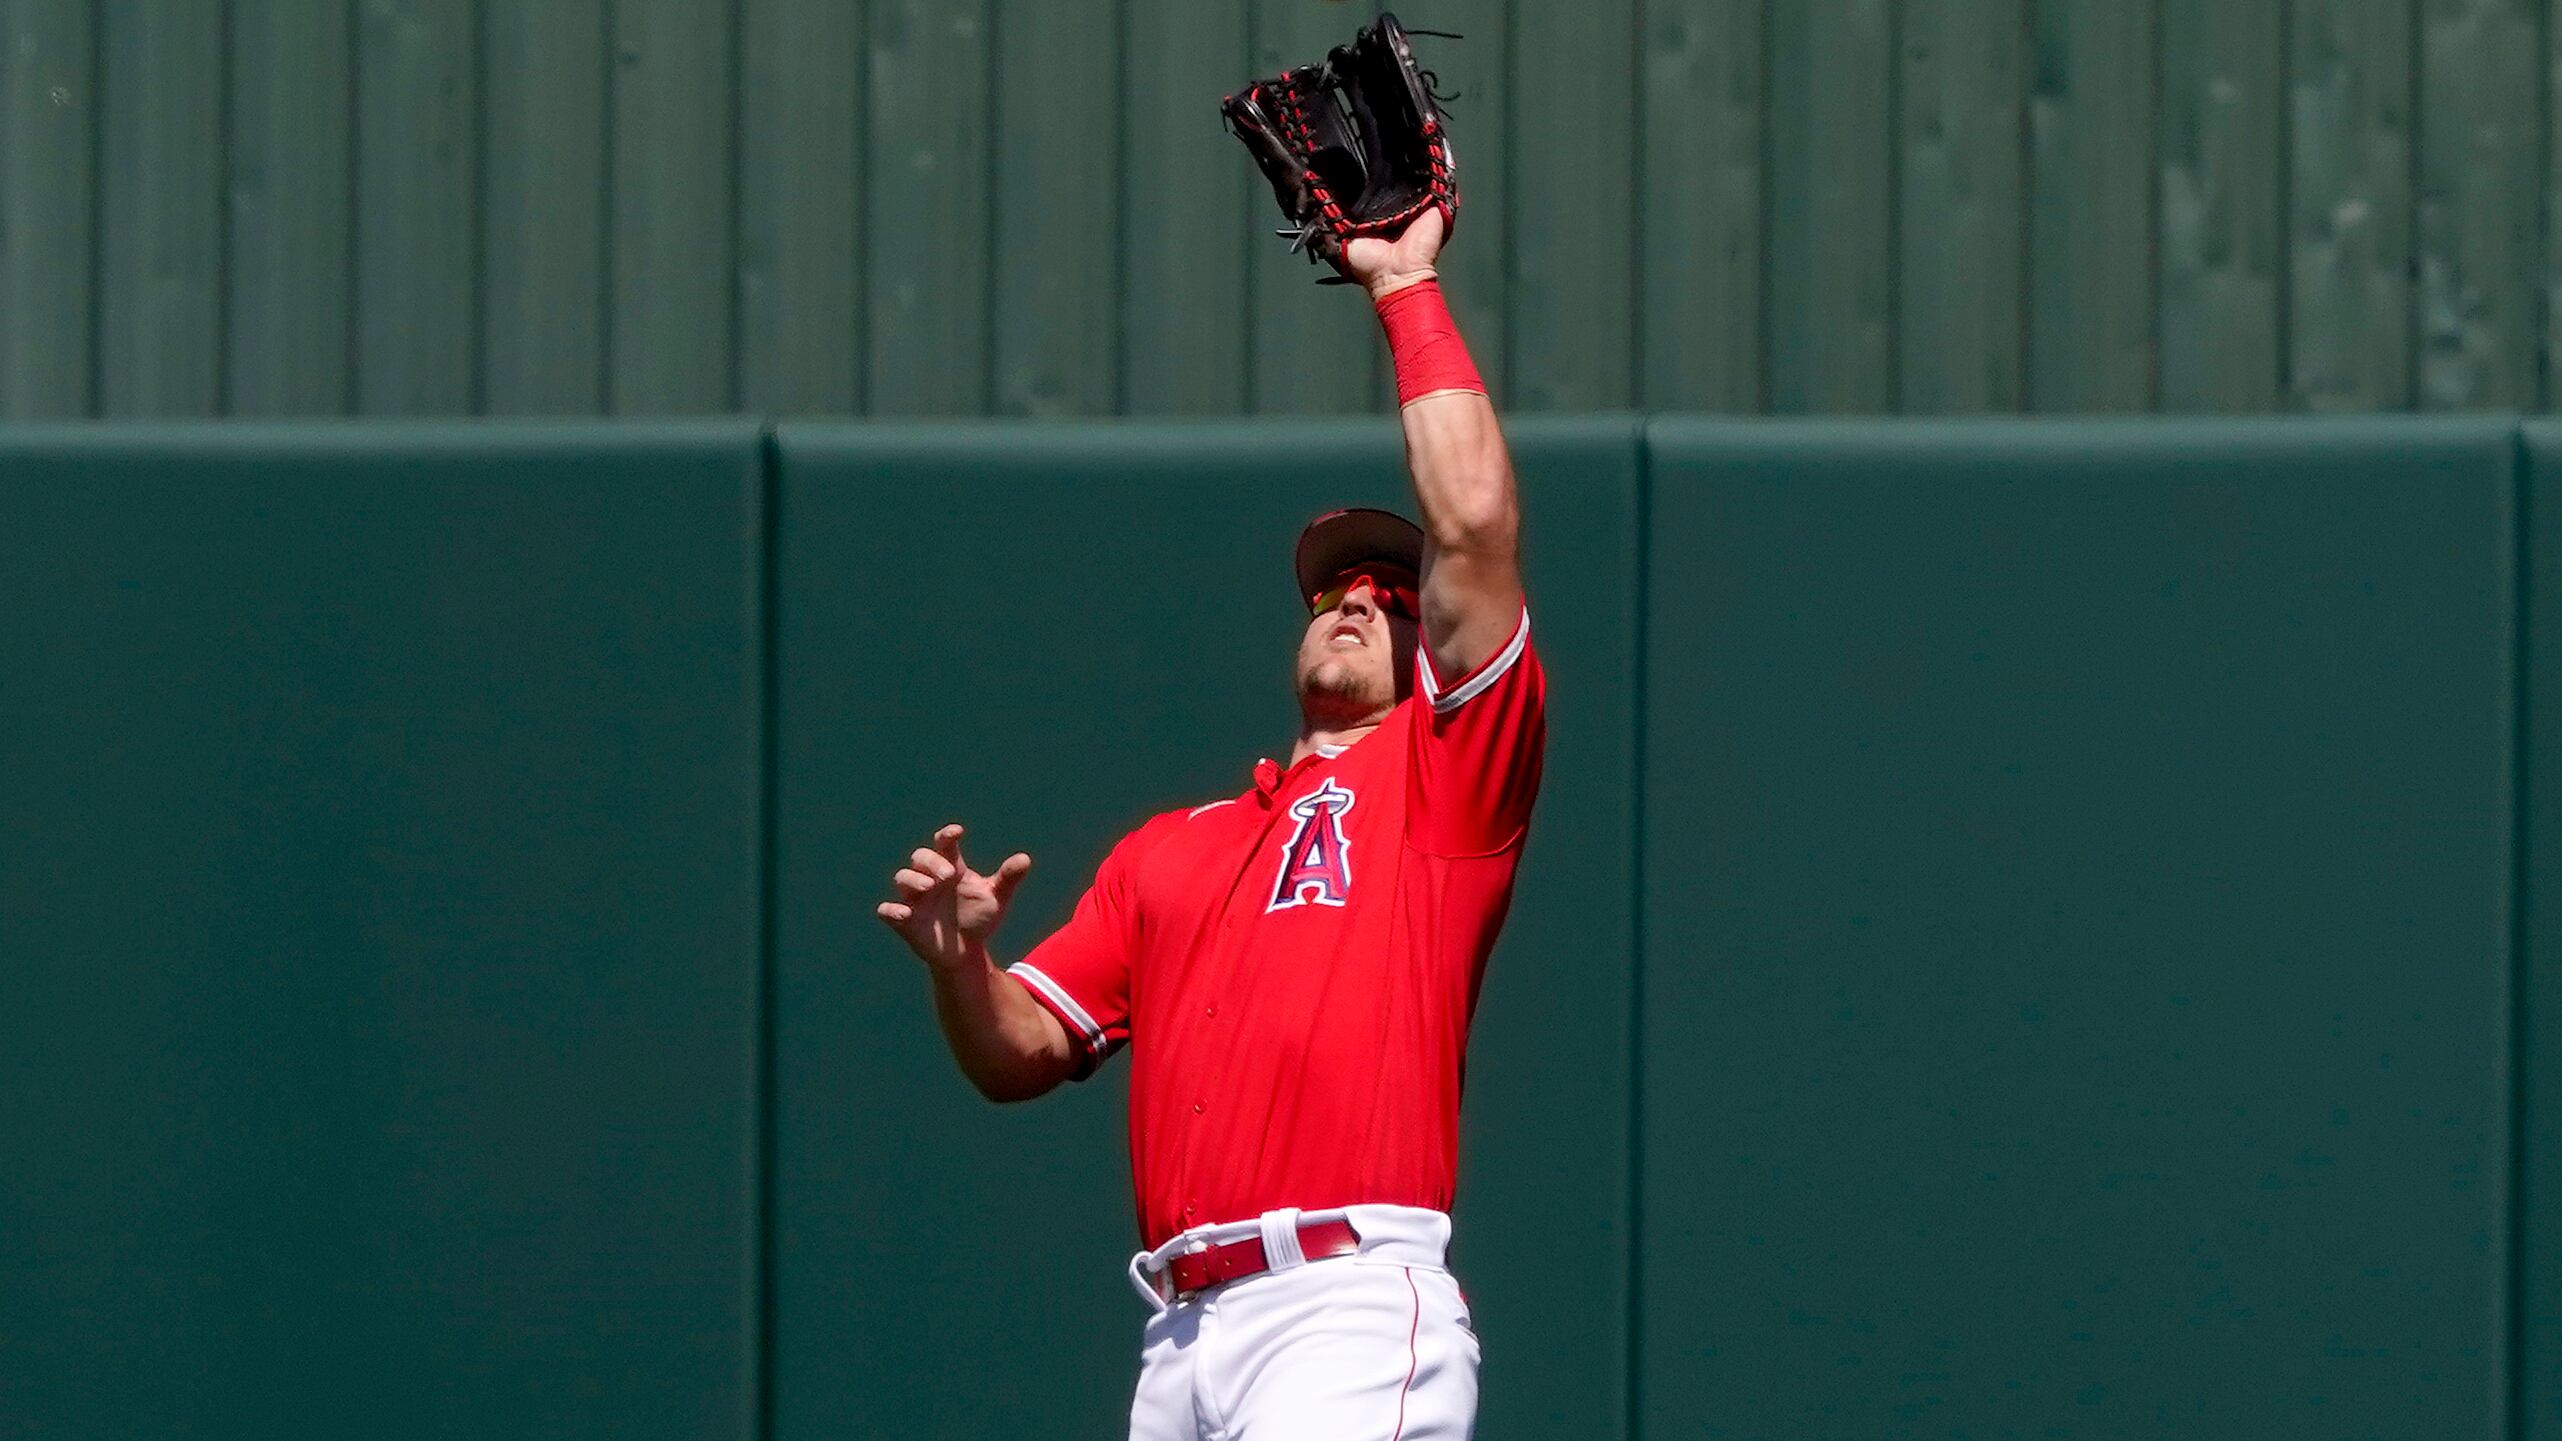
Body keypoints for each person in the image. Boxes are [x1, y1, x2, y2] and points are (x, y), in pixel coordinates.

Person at [875, 207, 1539, 1441]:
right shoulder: (1169, 850)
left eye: (1392, 596)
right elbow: (1025, 1050)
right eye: (1334, 589)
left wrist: (1406, 290)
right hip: (1180, 1335)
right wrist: (961, 966)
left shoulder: (1446, 783)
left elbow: (1475, 526)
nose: (1356, 602)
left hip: (1345, 1305)